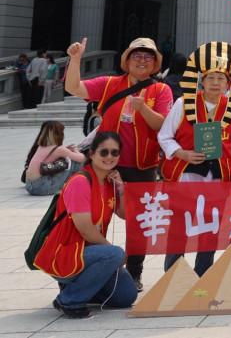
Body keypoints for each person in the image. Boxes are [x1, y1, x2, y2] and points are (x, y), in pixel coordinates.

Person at [64, 36, 171, 291]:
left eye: (148, 57)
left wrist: (144, 108)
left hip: (142, 167)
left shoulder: (160, 90)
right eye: (137, 55)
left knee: (138, 222)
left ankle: (134, 272)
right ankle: (93, 267)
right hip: (106, 165)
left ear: (155, 62)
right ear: (127, 60)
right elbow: (74, 88)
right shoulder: (110, 83)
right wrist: (75, 59)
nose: (142, 60)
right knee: (98, 215)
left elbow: (164, 125)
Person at [158, 42, 231, 275]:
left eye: (221, 79)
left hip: (216, 176)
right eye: (211, 77)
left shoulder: (230, 106)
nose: (215, 83)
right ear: (202, 80)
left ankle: (203, 274)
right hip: (187, 174)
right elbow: (164, 136)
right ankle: (173, 274)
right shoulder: (184, 103)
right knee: (180, 225)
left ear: (227, 84)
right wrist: (181, 153)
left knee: (210, 227)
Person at [33, 131, 137, 319]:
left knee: (126, 296)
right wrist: (114, 253)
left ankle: (78, 286)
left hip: (91, 255)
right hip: (66, 253)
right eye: (103, 152)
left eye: (115, 152)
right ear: (92, 154)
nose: (109, 157)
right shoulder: (80, 182)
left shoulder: (108, 181)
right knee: (114, 253)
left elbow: (124, 214)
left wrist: (120, 186)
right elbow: (86, 230)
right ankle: (69, 300)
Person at [23, 120, 86, 195]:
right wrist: (75, 149)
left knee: (67, 160)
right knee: (76, 163)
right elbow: (82, 158)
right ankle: (77, 186)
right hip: (41, 188)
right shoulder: (59, 149)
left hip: (29, 186)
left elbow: (55, 154)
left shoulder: (41, 147)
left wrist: (66, 150)